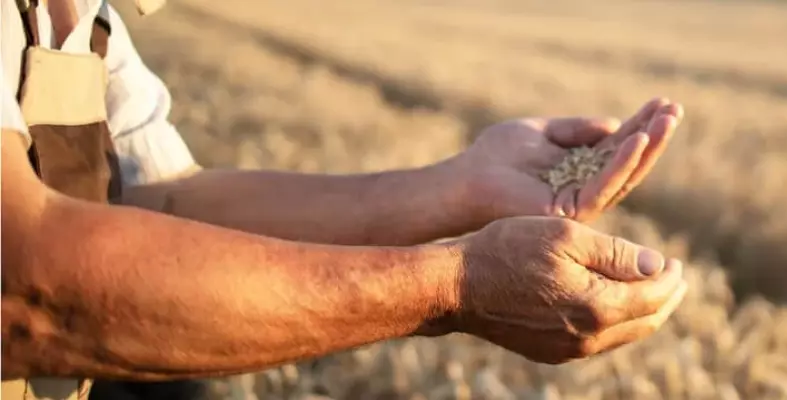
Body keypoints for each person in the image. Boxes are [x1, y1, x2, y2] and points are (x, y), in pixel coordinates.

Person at [0, 0, 688, 399]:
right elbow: (26, 286)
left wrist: (456, 187)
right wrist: (454, 286)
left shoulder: (89, 20)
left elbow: (162, 204)